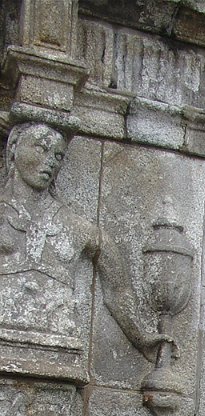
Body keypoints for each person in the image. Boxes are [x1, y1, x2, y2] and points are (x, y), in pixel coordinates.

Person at [0, 121, 161, 353]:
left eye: (58, 156)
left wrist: (142, 337)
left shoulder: (74, 225)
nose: (50, 162)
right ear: (14, 146)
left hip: (59, 344)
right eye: (41, 148)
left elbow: (117, 290)